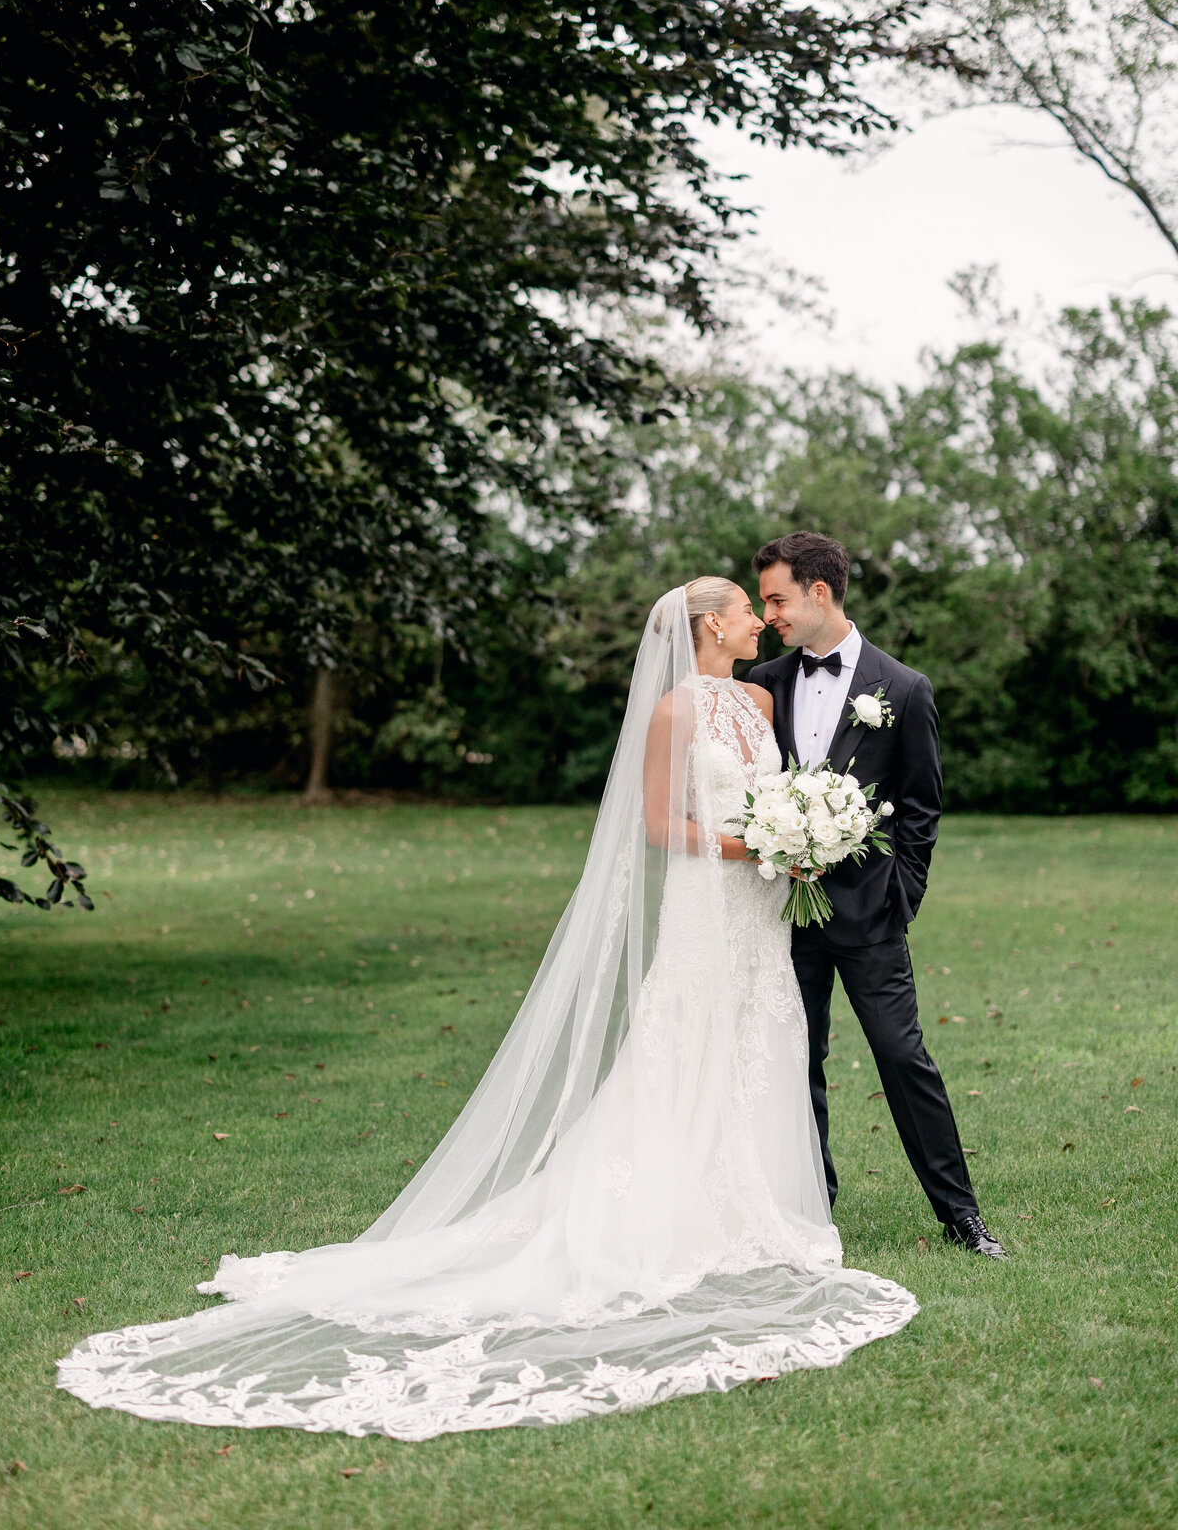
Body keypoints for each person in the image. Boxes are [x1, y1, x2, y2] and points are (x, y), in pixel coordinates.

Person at [57, 580, 918, 1441]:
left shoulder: (759, 696)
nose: (753, 617)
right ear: (707, 626)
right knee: (686, 1037)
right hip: (712, 897)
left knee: (757, 1039)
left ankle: (755, 1204)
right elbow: (659, 826)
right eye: (739, 605)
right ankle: (665, 1203)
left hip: (761, 909)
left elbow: (776, 791)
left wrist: (796, 834)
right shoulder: (672, 715)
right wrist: (757, 843)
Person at [747, 531, 1006, 1260]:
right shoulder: (764, 682)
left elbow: (921, 805)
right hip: (780, 915)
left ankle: (962, 1217)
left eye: (777, 598)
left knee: (902, 1056)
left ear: (819, 593)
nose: (770, 614)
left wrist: (903, 896)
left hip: (870, 915)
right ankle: (809, 1209)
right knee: (797, 1061)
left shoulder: (905, 688)